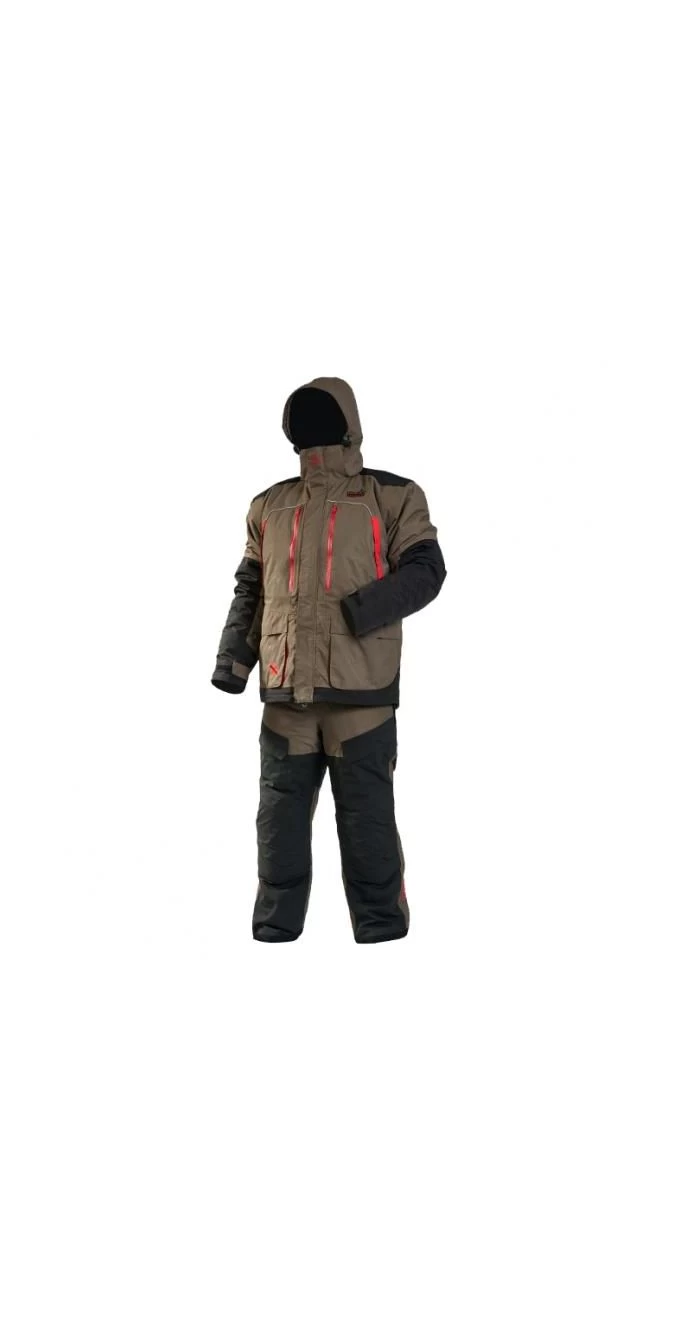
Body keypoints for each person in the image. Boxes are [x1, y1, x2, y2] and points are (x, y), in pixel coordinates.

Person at [211, 376, 446, 943]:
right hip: (285, 690)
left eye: (323, 416)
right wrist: (233, 661)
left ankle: (382, 926)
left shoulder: (391, 496)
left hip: (361, 691)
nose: (312, 427)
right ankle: (276, 926)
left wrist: (360, 612)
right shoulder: (270, 505)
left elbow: (426, 570)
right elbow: (251, 589)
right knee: (278, 823)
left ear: (348, 426)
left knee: (368, 821)